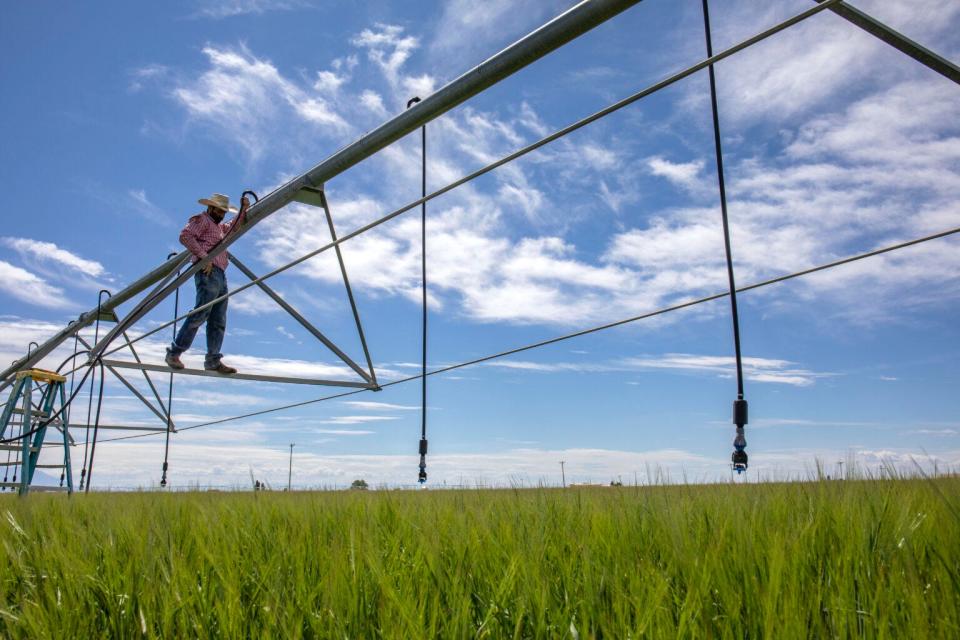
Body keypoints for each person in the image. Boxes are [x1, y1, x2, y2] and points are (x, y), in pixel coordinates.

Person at [165, 192, 249, 374]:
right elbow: (185, 236)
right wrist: (204, 258)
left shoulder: (218, 227)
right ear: (210, 208)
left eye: (223, 212)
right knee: (201, 313)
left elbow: (233, 227)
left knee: (218, 318)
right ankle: (175, 352)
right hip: (207, 271)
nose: (221, 214)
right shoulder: (202, 220)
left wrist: (244, 209)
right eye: (219, 211)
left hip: (219, 273)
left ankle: (213, 359)